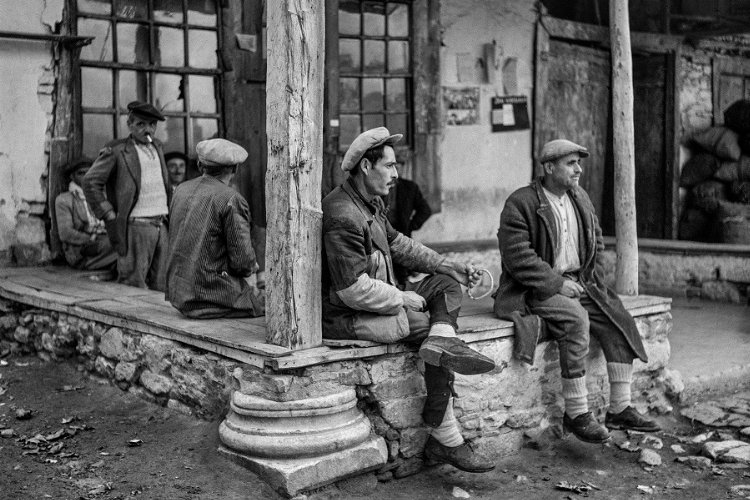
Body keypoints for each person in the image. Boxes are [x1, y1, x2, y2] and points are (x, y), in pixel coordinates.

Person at [322, 127, 496, 473]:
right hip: (346, 315)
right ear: (366, 167)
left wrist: (452, 266)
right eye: (389, 165)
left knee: (445, 288)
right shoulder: (342, 213)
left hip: (379, 302)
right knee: (423, 324)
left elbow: (401, 245)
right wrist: (402, 296)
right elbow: (351, 289)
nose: (396, 173)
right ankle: (446, 437)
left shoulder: (370, 203)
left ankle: (443, 340)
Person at [493, 139, 660, 444]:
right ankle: (576, 413)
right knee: (576, 319)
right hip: (533, 289)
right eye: (571, 163)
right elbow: (518, 257)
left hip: (579, 281)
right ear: (549, 167)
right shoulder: (521, 203)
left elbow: (595, 238)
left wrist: (590, 279)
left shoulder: (579, 196)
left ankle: (620, 406)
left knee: (616, 317)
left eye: (578, 163)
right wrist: (557, 284)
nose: (579, 169)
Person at [165, 138, 264, 319]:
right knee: (273, 303)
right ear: (234, 169)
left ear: (200, 165)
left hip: (179, 294)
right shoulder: (230, 198)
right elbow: (242, 262)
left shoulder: (180, 189)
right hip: (210, 296)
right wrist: (252, 267)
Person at [83, 101, 171, 290]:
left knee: (161, 286)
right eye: (141, 124)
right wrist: (108, 213)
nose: (147, 129)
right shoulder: (117, 150)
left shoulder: (157, 147)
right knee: (133, 286)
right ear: (130, 125)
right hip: (135, 226)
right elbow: (90, 182)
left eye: (152, 124)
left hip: (161, 224)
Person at [55, 159, 117, 271]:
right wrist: (91, 238)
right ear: (72, 177)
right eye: (81, 173)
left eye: (89, 173)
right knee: (116, 245)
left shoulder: (101, 196)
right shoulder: (64, 200)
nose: (85, 176)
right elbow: (65, 233)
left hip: (103, 241)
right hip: (81, 250)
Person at [383, 157, 433, 284]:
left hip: (401, 234)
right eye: (390, 166)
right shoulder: (378, 186)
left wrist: (411, 225)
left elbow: (425, 209)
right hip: (381, 233)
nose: (394, 171)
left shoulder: (409, 187)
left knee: (401, 274)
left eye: (397, 166)